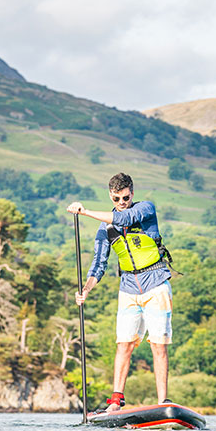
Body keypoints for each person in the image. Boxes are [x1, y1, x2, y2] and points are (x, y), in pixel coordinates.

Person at [67, 172, 174, 412]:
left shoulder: (145, 209)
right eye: (116, 199)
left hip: (156, 282)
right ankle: (116, 400)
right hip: (128, 287)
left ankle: (163, 402)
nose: (121, 203)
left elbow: (125, 218)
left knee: (158, 344)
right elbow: (98, 264)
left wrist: (84, 212)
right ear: (111, 196)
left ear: (132, 194)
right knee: (124, 344)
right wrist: (85, 290)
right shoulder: (104, 229)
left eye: (125, 198)